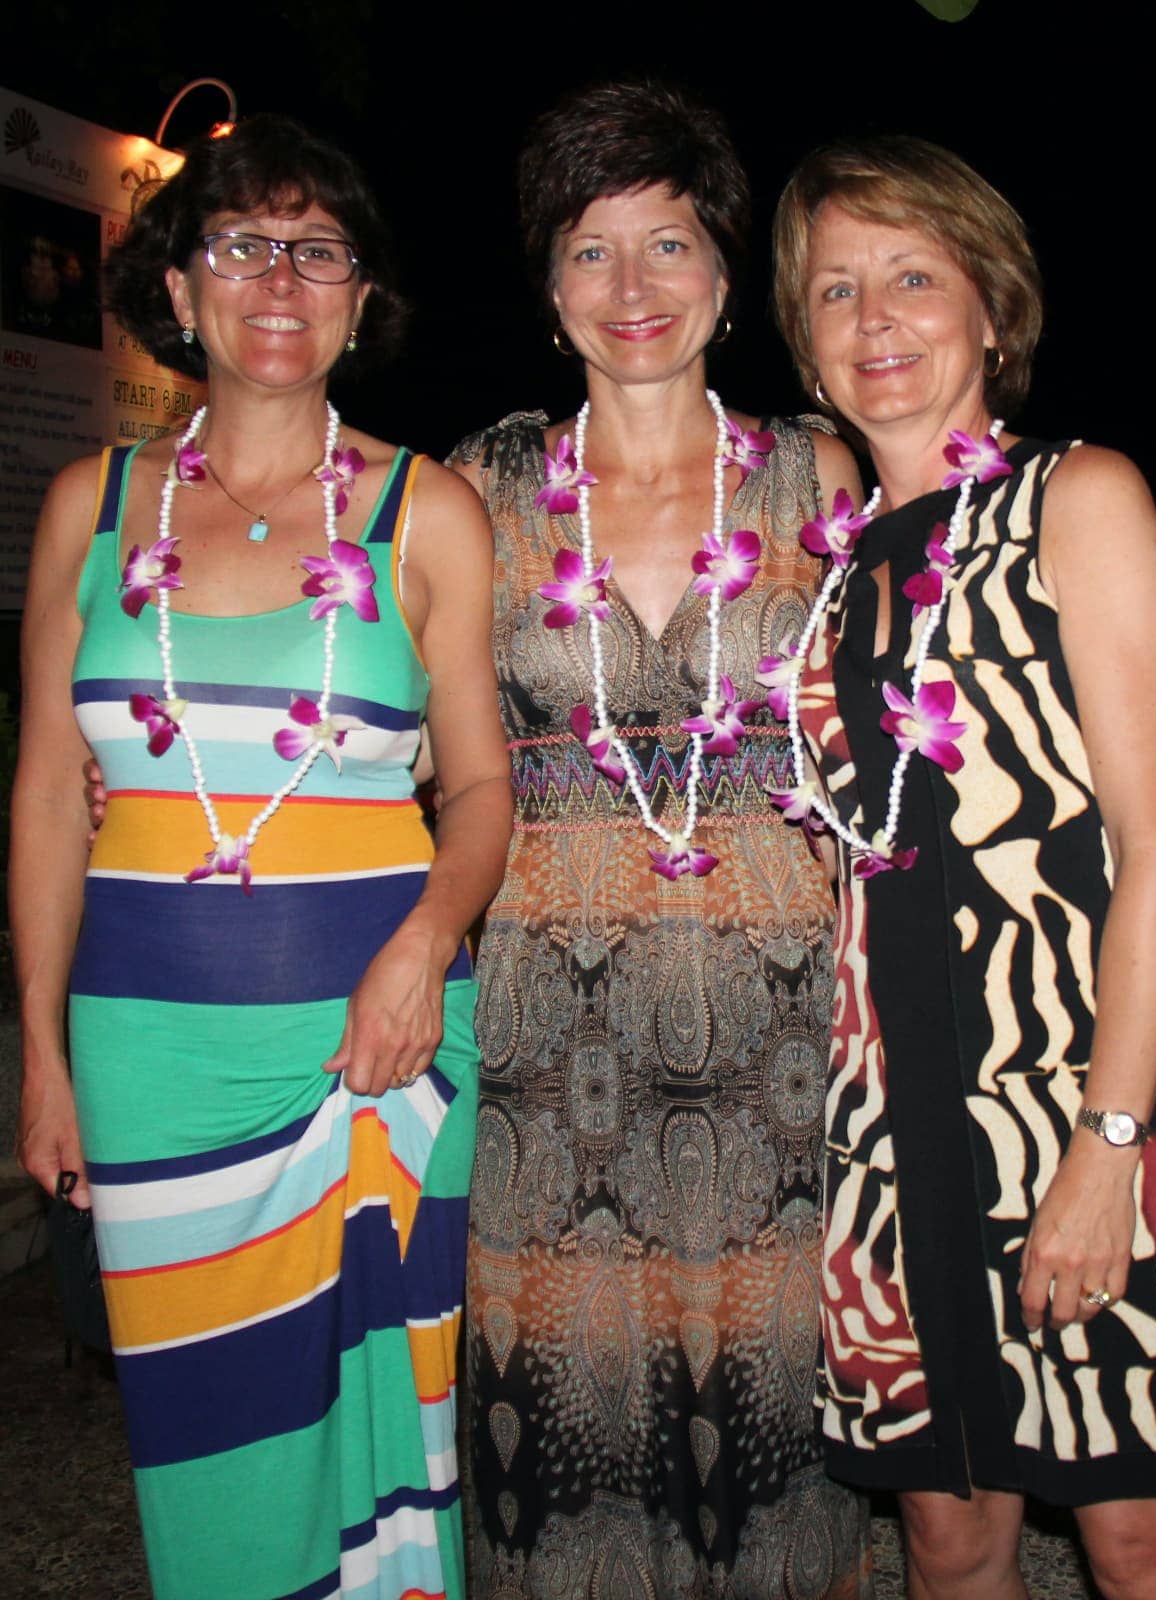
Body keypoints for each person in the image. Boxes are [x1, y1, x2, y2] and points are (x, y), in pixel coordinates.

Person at [12, 115, 511, 1600]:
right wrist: (39, 1052)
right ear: (179, 292)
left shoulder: (429, 509)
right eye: (241, 245)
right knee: (204, 1438)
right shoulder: (83, 513)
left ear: (361, 299)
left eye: (318, 250)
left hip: (378, 1042)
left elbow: (481, 786)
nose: (278, 279)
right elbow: (48, 791)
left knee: (387, 1432)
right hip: (147, 1049)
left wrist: (421, 949)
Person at [447, 82, 872, 1597]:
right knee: (561, 1383)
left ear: (723, 275)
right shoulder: (476, 488)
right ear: (549, 287)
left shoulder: (816, 475)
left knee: (766, 1386)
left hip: (774, 1007)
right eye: (590, 251)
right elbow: (409, 745)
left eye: (670, 246)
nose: (632, 291)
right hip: (546, 1019)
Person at [770, 135, 1156, 1599]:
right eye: (835, 290)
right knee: (949, 1540)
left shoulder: (1077, 499)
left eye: (910, 278)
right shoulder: (824, 570)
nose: (873, 319)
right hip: (890, 1120)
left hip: (1070, 1092)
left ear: (989, 311)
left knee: (1134, 1534)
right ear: (807, 343)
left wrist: (1111, 1149)